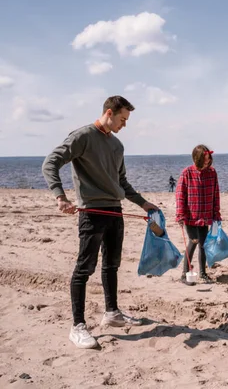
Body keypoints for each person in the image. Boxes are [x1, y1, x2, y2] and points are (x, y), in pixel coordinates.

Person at [42, 95, 158, 349]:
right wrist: (60, 196)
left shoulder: (117, 145)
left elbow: (122, 183)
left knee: (111, 265)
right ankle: (78, 326)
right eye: (123, 119)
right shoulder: (82, 136)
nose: (124, 125)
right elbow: (50, 163)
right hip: (91, 212)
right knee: (84, 269)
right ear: (109, 112)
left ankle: (112, 313)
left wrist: (143, 203)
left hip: (115, 211)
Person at [175, 145, 221, 285]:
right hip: (191, 215)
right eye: (205, 160)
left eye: (209, 159)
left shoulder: (212, 173)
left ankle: (203, 273)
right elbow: (180, 195)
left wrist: (216, 213)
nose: (207, 162)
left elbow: (216, 194)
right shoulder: (187, 173)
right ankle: (185, 273)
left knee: (203, 245)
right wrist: (180, 214)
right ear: (197, 159)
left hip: (206, 215)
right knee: (193, 241)